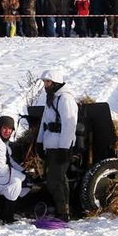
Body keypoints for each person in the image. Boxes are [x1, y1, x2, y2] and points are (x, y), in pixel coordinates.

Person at [36, 68, 78, 221]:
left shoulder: (65, 99)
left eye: (48, 82)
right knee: (56, 179)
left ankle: (63, 213)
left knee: (57, 179)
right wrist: (40, 142)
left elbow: (69, 124)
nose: (45, 85)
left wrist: (64, 148)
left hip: (60, 146)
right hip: (51, 145)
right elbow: (44, 123)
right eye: (44, 82)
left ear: (56, 83)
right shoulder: (51, 98)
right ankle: (62, 209)